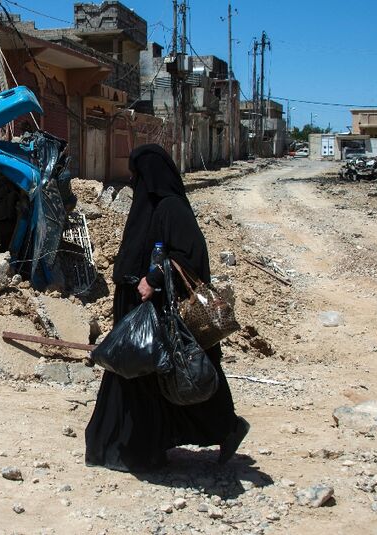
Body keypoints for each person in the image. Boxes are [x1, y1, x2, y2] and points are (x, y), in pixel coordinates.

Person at [85, 144, 249, 472]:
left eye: (137, 173)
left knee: (166, 374)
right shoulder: (150, 207)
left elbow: (191, 255)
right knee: (135, 372)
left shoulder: (172, 208)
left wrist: (154, 277)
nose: (134, 180)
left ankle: (216, 430)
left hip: (155, 308)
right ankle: (132, 447)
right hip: (135, 307)